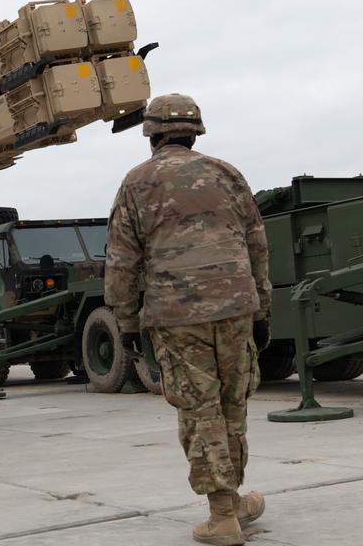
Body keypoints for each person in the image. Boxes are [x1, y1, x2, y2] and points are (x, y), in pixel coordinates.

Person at [105, 93, 271, 546]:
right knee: (232, 404)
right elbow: (257, 244)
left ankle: (222, 515)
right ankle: (232, 501)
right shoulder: (226, 173)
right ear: (195, 132)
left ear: (152, 135)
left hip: (177, 316)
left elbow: (121, 262)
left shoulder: (137, 183)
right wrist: (262, 309)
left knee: (201, 409)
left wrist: (127, 323)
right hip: (237, 306)